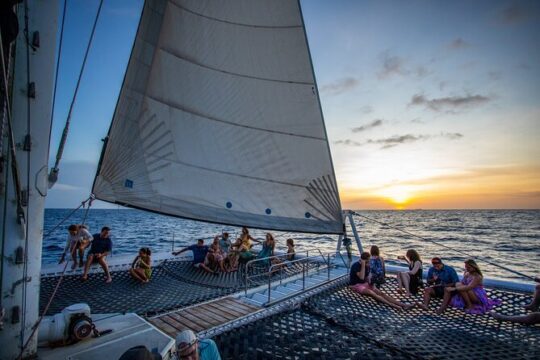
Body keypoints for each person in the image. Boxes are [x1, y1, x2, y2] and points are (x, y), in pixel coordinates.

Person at [349, 252, 414, 311]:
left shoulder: (367, 266)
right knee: (372, 293)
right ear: (364, 261)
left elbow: (366, 278)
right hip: (356, 285)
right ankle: (394, 306)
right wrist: (363, 265)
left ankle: (403, 305)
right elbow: (361, 277)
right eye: (368, 261)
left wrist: (371, 282)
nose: (369, 263)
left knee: (381, 293)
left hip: (364, 284)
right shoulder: (356, 265)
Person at [437, 259, 501, 314]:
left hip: (477, 296)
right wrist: (450, 285)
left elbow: (469, 287)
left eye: (469, 267)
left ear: (474, 267)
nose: (467, 269)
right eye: (466, 267)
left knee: (463, 288)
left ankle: (469, 305)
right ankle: (443, 306)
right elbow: (462, 283)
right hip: (467, 293)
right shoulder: (467, 273)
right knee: (457, 284)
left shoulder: (477, 276)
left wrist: (454, 289)